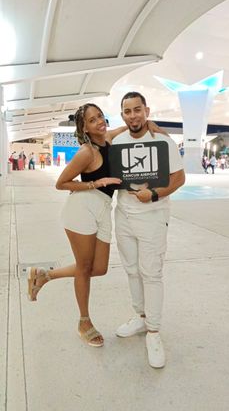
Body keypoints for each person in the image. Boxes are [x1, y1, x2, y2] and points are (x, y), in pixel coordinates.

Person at [26, 103, 163, 348]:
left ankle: (45, 275)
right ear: (85, 128)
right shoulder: (86, 152)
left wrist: (149, 124)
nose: (99, 121)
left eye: (100, 116)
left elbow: (126, 126)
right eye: (92, 120)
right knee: (85, 267)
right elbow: (61, 183)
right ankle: (84, 321)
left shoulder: (110, 138)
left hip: (102, 210)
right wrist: (96, 182)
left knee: (99, 268)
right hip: (82, 208)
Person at [113, 92, 185, 369]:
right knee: (132, 270)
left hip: (153, 216)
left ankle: (154, 331)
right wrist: (121, 128)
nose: (133, 116)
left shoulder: (162, 141)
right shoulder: (117, 141)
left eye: (137, 110)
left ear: (147, 111)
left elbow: (179, 178)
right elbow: (94, 134)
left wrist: (154, 194)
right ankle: (140, 317)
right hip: (124, 216)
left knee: (151, 272)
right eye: (127, 111)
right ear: (122, 115)